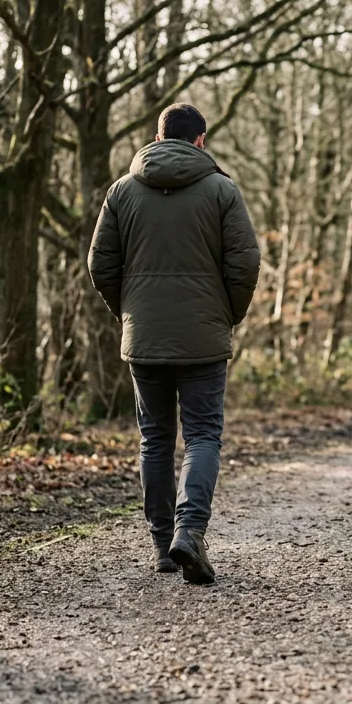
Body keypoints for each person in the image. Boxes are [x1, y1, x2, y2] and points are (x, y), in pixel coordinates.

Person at [87, 103, 260, 584]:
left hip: (144, 335)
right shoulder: (222, 190)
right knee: (203, 435)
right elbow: (244, 264)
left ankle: (164, 545)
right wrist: (226, 315)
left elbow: (100, 265)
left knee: (155, 438)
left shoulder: (121, 192)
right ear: (200, 141)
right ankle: (190, 531)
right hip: (204, 334)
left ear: (159, 137)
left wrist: (132, 312)